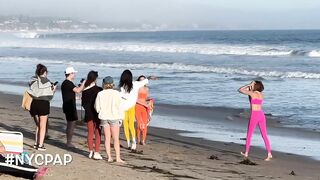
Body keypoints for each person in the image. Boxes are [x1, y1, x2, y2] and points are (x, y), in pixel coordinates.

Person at [238, 81, 272, 161]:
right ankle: (269, 153)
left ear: (255, 86)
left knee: (249, 135)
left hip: (255, 115)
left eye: (253, 84)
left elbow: (240, 90)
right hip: (261, 114)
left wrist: (249, 85)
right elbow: (251, 100)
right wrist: (251, 87)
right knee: (264, 135)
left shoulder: (252, 94)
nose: (251, 84)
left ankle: (246, 152)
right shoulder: (261, 94)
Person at [95, 76, 125, 163]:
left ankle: (109, 157)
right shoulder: (117, 93)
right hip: (114, 117)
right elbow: (120, 107)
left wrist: (101, 111)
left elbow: (97, 108)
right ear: (112, 84)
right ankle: (118, 158)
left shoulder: (100, 94)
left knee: (107, 138)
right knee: (116, 138)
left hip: (104, 117)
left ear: (104, 84)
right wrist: (121, 118)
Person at [28, 64, 57, 151]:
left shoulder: (33, 80)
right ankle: (40, 145)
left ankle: (36, 143)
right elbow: (49, 97)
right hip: (43, 104)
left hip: (34, 103)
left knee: (38, 125)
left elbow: (32, 89)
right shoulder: (47, 82)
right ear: (44, 72)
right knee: (43, 125)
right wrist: (53, 90)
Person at [119, 70, 149, 150]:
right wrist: (150, 77)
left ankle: (128, 143)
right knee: (131, 125)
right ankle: (134, 142)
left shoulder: (122, 86)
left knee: (125, 125)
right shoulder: (135, 84)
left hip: (124, 107)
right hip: (132, 106)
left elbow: (121, 97)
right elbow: (145, 81)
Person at [61, 67, 85, 147]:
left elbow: (68, 94)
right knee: (71, 124)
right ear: (70, 74)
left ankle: (68, 141)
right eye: (73, 73)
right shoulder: (68, 83)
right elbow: (78, 90)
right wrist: (83, 84)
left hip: (67, 104)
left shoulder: (65, 83)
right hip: (70, 106)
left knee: (70, 123)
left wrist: (76, 98)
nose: (74, 74)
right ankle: (69, 142)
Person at [81, 71, 102, 160]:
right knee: (97, 133)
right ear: (95, 79)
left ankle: (90, 151)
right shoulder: (99, 90)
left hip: (88, 114)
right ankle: (96, 152)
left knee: (90, 132)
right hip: (97, 114)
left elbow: (83, 104)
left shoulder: (84, 91)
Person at [135, 75, 152, 145]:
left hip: (145, 107)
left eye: (143, 80)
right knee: (139, 124)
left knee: (145, 124)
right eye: (141, 80)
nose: (142, 81)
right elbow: (135, 99)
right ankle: (138, 139)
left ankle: (143, 140)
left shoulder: (147, 89)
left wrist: (150, 101)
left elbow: (146, 98)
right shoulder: (136, 88)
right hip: (138, 106)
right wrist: (143, 103)